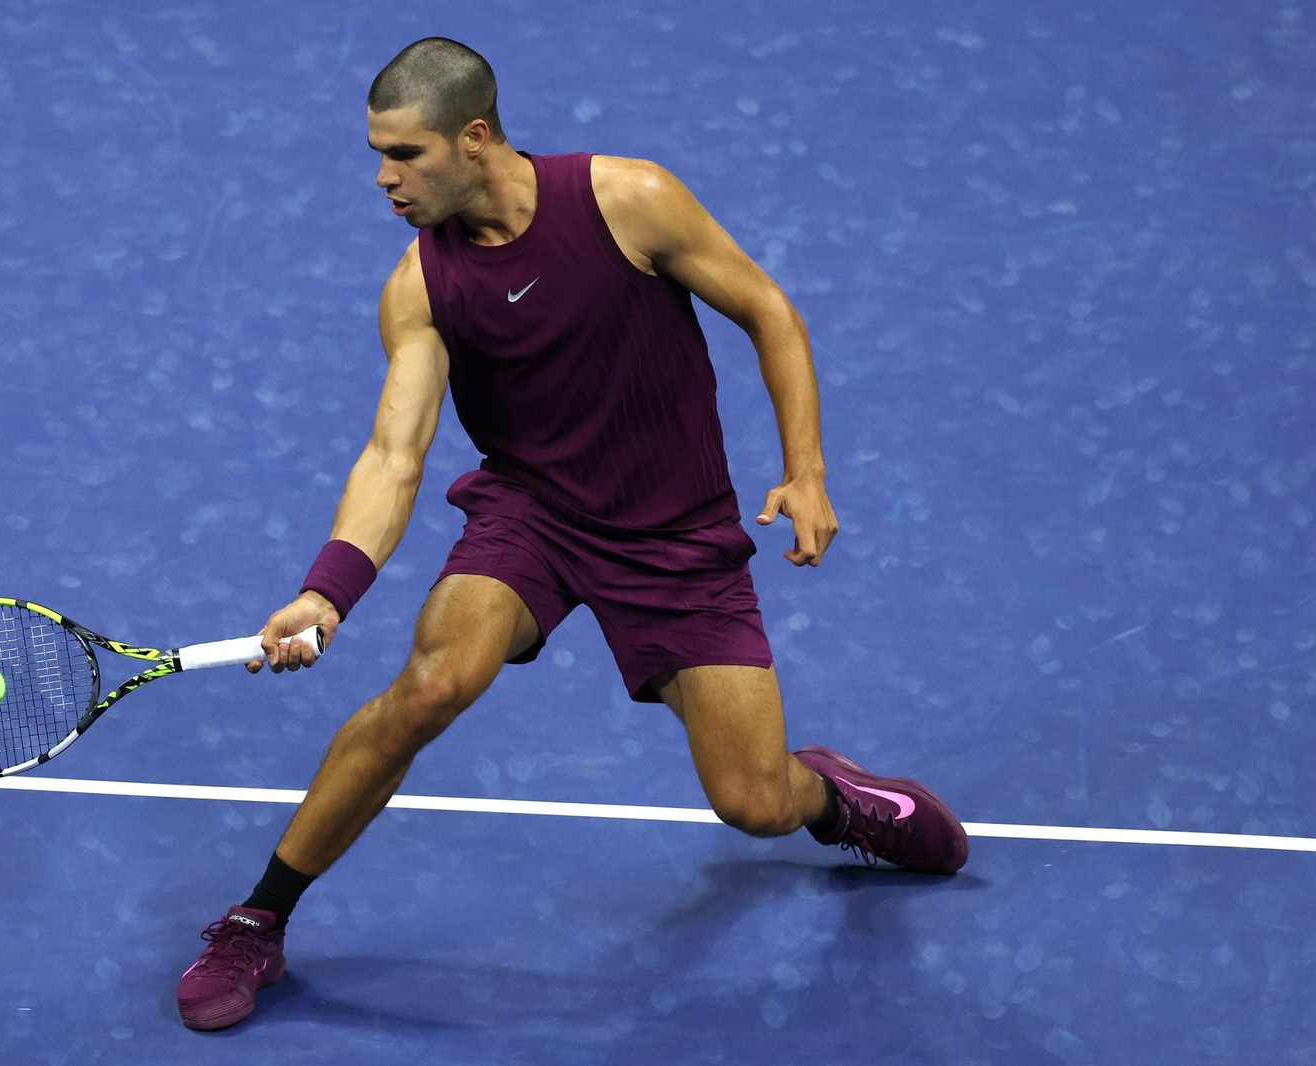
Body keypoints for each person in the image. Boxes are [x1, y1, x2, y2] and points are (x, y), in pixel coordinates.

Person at [174, 36, 969, 1032]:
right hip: (533, 515)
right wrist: (328, 589)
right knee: (428, 686)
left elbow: (767, 309)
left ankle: (835, 800)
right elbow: (393, 455)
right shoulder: (420, 287)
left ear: (473, 138)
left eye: (404, 155)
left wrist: (804, 471)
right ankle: (258, 918)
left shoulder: (627, 200)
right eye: (375, 154)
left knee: (753, 803)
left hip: (675, 533)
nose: (383, 179)